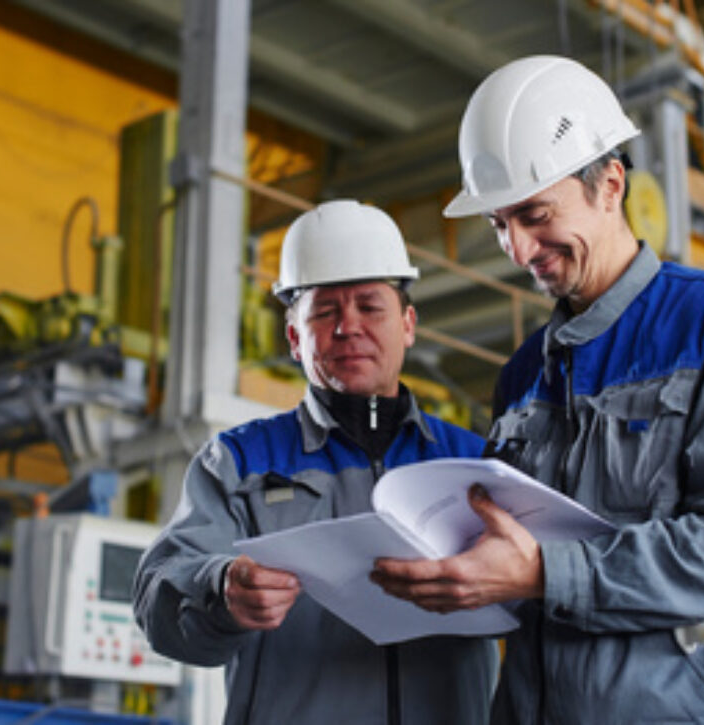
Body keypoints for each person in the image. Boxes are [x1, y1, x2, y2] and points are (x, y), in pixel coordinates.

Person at [371, 55, 704, 724]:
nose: (517, 249)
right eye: (498, 224)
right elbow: (515, 573)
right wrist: (457, 575)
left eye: (535, 213)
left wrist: (546, 571)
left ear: (609, 184)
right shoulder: (521, 376)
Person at [133, 199, 497, 725]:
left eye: (370, 306)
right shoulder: (237, 464)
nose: (348, 327)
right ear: (294, 338)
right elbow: (156, 599)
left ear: (409, 324)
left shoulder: (474, 462)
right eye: (325, 311)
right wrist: (221, 589)